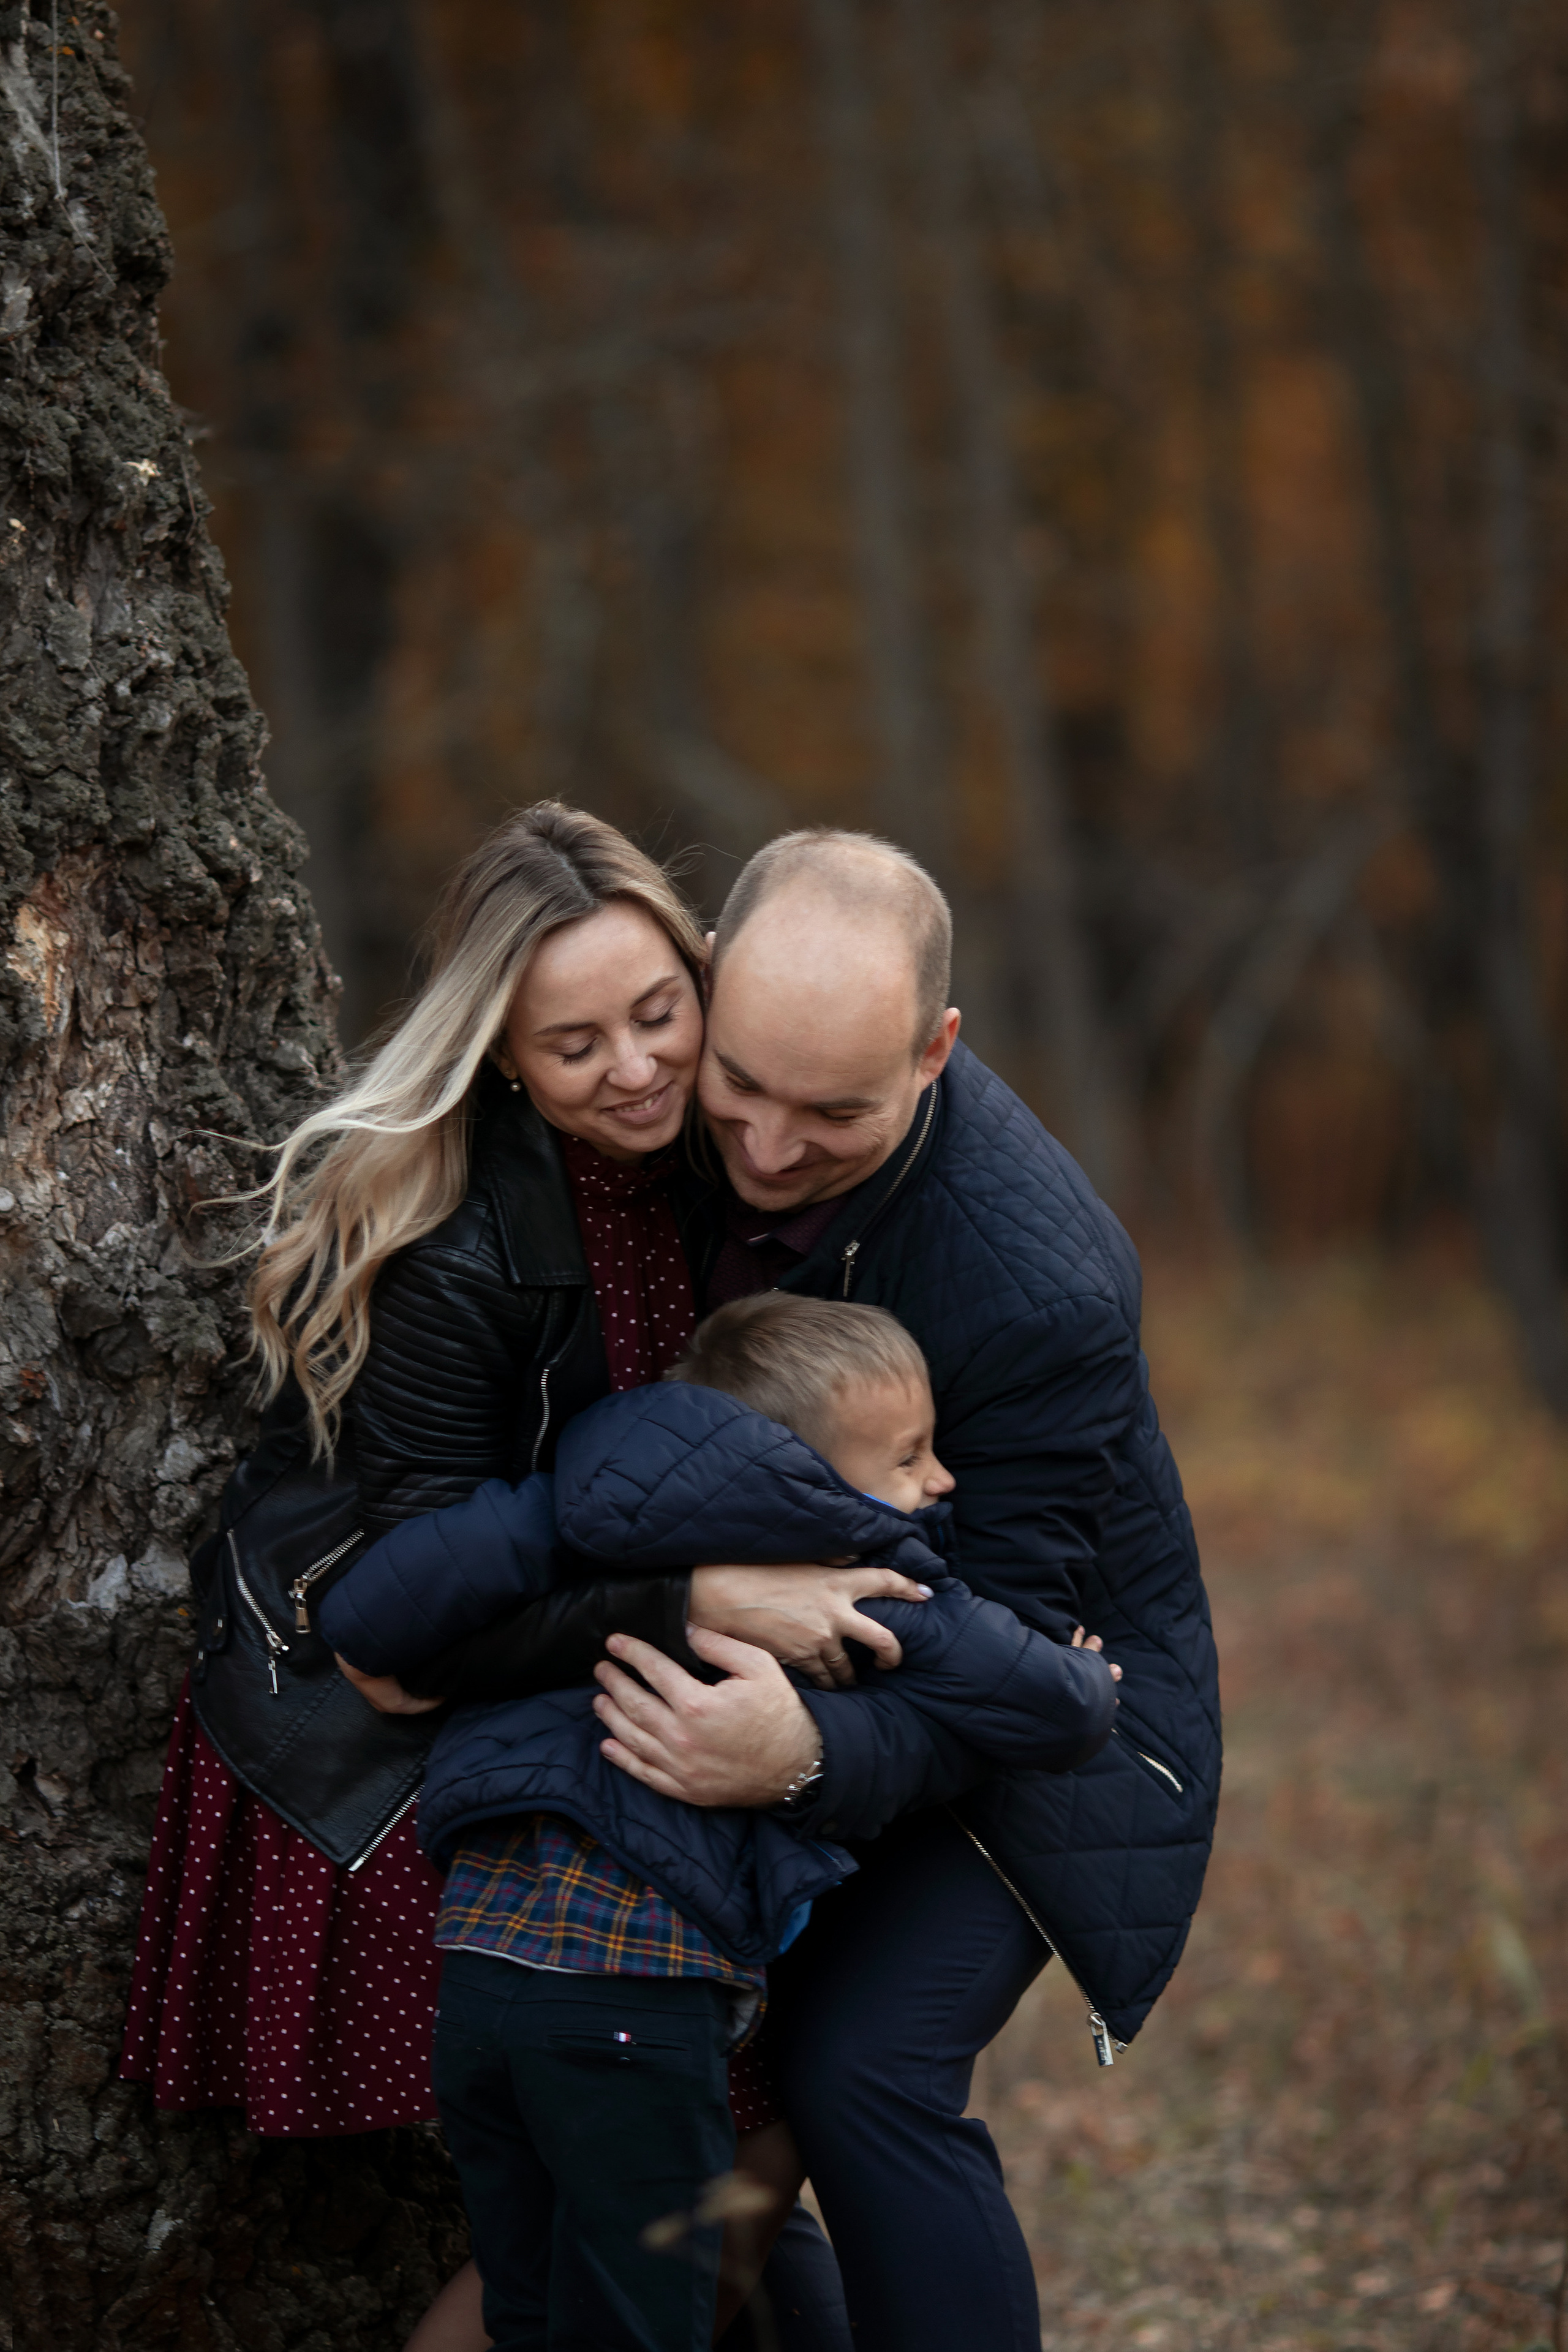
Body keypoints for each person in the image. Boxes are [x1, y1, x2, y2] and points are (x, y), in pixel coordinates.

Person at [120, 804, 910, 2352]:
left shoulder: (715, 1165)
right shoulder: (460, 1247)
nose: (632, 1067)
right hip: (378, 1748)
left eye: (656, 1013)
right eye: (572, 1044)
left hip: (552, 1706)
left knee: (717, 2167)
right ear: (500, 1058)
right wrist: (694, 1609)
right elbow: (415, 1627)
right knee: (680, 2167)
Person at [570, 829, 1222, 2352]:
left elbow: (993, 1666)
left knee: (853, 2068)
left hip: (1048, 1729)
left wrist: (793, 1757)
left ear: (935, 1051)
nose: (768, 1147)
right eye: (741, 1083)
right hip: (784, 1654)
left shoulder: (1037, 1284)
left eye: (834, 1113)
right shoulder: (639, 1095)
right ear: (706, 992)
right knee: (648, 2071)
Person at [317, 1291, 1120, 2351]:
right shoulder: (848, 1562)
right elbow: (1050, 1711)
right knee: (642, 2321)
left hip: (472, 1987)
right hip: (631, 1998)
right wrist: (1088, 1674)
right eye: (911, 1454)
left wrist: (557, 1527)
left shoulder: (570, 1498)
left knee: (528, 2305)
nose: (940, 1481)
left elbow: (362, 1620)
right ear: (805, 1471)